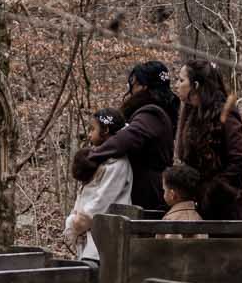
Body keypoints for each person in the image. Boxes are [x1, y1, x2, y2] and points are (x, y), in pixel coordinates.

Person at [72, 61, 179, 211]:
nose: (130, 90)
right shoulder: (160, 112)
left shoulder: (152, 114)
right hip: (150, 189)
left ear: (144, 87)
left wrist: (92, 156)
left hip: (147, 193)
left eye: (133, 84)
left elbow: (126, 139)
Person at [174, 59, 242, 219]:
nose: (177, 85)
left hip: (227, 211)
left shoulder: (225, 113)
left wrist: (212, 192)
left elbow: (240, 162)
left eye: (181, 80)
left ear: (195, 85)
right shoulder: (191, 112)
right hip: (198, 209)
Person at [64, 108, 132, 257]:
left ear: (106, 130)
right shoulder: (100, 160)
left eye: (92, 129)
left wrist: (73, 224)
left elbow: (100, 203)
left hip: (102, 242)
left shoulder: (117, 164)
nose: (89, 134)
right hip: (89, 238)